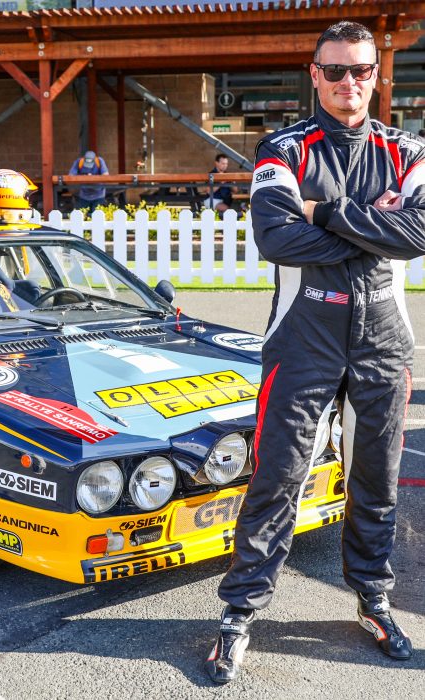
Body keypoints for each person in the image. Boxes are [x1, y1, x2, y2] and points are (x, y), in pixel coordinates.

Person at [205, 21, 425, 684]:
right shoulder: (282, 147)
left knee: (376, 479)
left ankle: (374, 600)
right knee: (277, 478)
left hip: (384, 338)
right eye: (335, 70)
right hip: (303, 336)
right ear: (314, 74)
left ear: (376, 75)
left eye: (361, 69)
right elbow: (277, 239)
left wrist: (323, 212)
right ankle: (240, 613)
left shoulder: (408, 149)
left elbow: (417, 233)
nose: (348, 82)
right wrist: (375, 222)